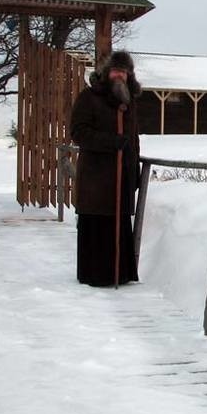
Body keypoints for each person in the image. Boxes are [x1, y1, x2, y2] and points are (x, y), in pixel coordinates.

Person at [70, 51, 141, 286]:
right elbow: (79, 133)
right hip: (96, 178)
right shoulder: (89, 97)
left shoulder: (128, 102)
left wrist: (135, 169)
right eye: (115, 70)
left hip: (122, 177)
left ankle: (121, 273)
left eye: (123, 71)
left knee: (118, 224)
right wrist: (111, 142)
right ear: (106, 72)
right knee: (99, 225)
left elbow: (133, 138)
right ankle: (97, 275)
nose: (119, 75)